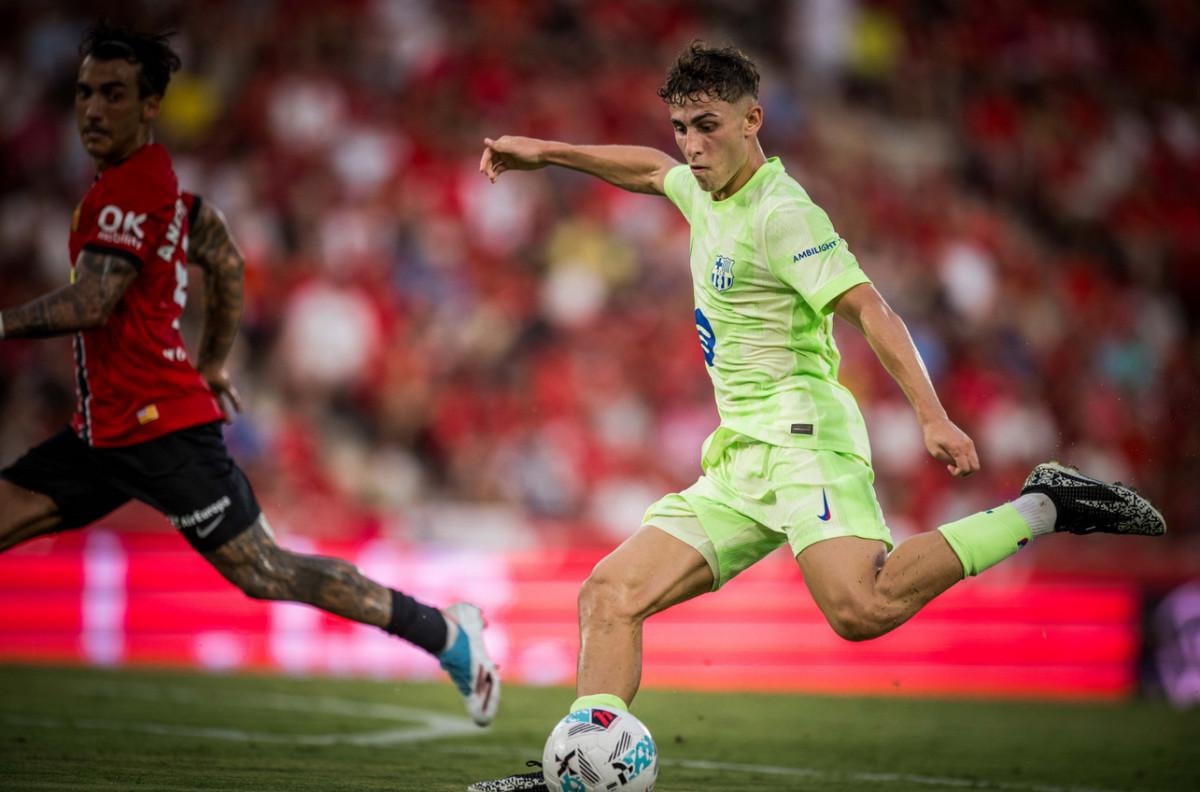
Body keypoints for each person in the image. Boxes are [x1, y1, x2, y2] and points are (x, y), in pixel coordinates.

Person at [467, 42, 1165, 790]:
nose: (692, 146)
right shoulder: (701, 189)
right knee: (609, 594)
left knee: (861, 609)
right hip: (740, 455)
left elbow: (870, 307)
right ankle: (577, 774)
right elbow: (647, 169)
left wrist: (932, 415)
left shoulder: (784, 214)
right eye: (681, 128)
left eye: (707, 126)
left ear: (752, 120)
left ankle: (1046, 504)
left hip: (805, 438)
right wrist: (546, 152)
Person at [0, 23, 499, 728]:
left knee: (265, 571)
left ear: (150, 106)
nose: (93, 109)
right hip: (103, 430)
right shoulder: (157, 191)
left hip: (160, 432)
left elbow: (93, 301)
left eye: (114, 94)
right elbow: (225, 257)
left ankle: (446, 634)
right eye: (84, 93)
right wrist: (211, 360)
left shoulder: (130, 192)